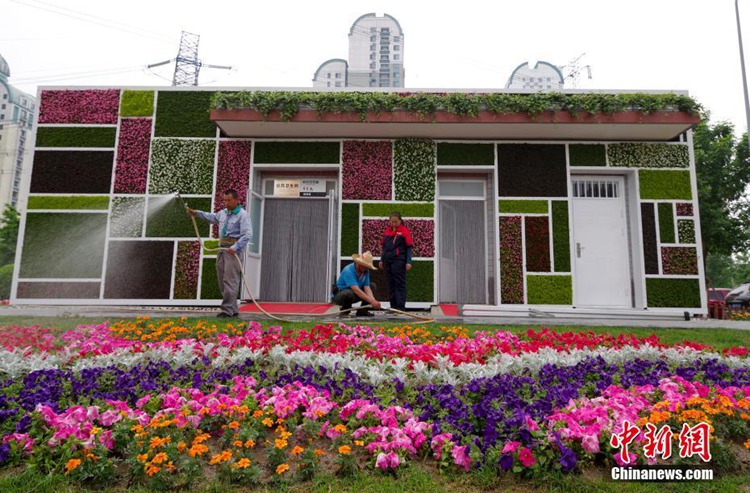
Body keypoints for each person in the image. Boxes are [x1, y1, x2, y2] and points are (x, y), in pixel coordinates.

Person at [187, 189, 252, 318]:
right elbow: (212, 218)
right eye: (224, 200)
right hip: (221, 250)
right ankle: (233, 309)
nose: (226, 203)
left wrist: (235, 247)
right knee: (222, 281)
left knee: (230, 280)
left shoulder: (243, 215)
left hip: (233, 252)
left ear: (236, 200)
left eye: (228, 200)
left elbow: (247, 234)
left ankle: (227, 311)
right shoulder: (223, 213)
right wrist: (196, 213)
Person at [378, 212, 413, 312]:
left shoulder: (404, 231)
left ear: (400, 221)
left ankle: (400, 307)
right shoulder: (387, 231)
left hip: (399, 261)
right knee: (390, 283)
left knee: (399, 284)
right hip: (387, 261)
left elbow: (408, 248)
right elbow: (384, 247)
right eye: (391, 222)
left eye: (396, 222)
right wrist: (381, 259)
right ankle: (393, 307)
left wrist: (408, 262)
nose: (393, 224)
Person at [333, 251, 381, 317]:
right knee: (348, 293)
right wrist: (372, 302)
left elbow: (367, 288)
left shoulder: (366, 271)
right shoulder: (348, 270)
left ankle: (362, 311)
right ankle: (344, 312)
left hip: (354, 294)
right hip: (341, 295)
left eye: (367, 266)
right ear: (359, 263)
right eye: (364, 266)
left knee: (372, 286)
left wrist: (373, 301)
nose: (366, 268)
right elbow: (356, 290)